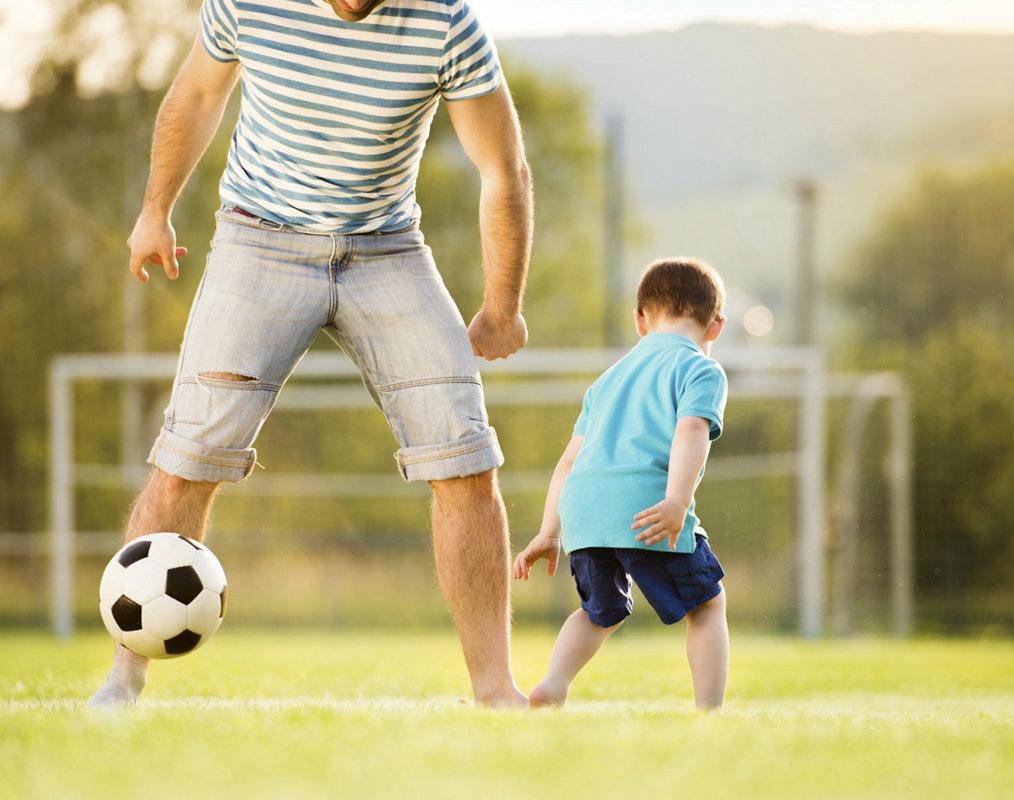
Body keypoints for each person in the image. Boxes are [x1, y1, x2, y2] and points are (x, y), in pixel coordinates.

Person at [91, 0, 532, 708]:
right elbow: (199, 93)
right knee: (185, 461)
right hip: (258, 240)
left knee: (464, 458)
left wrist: (503, 306)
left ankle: (495, 691)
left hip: (388, 249)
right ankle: (123, 682)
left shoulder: (446, 22)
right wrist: (154, 210)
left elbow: (502, 170)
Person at [513, 257, 730, 710]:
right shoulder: (700, 369)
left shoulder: (607, 380)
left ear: (640, 320)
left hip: (584, 513)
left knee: (599, 611)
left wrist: (548, 532)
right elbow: (691, 430)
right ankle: (710, 713)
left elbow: (568, 460)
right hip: (644, 506)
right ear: (716, 327)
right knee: (707, 606)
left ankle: (553, 682)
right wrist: (676, 501)